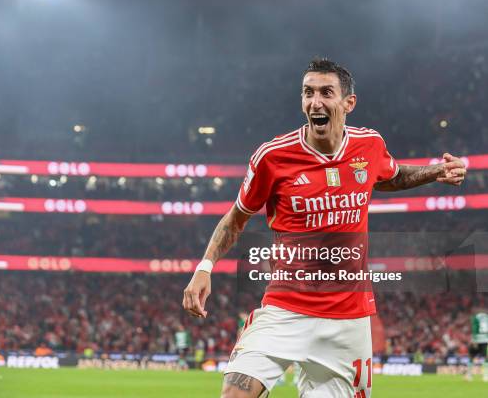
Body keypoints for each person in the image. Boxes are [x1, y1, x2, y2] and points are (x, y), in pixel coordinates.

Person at [182, 58, 467, 398]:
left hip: (349, 321)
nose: (315, 102)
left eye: (325, 92)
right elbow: (236, 219)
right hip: (286, 308)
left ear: (349, 103)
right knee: (235, 393)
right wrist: (204, 267)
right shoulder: (272, 157)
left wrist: (434, 172)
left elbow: (390, 177)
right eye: (308, 93)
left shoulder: (370, 145)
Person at [466, 309, 488, 381]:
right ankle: (486, 376)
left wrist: (474, 340)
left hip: (478, 340)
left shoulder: (475, 317)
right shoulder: (486, 317)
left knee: (471, 356)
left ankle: (469, 375)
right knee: (486, 358)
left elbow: (475, 328)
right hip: (485, 340)